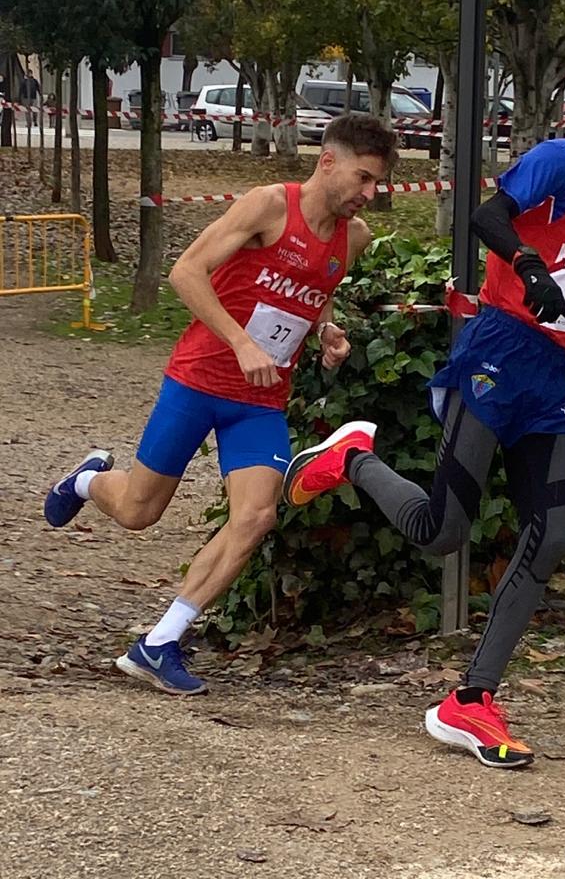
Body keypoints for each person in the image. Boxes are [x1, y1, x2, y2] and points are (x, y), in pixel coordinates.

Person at [282, 41, 565, 769]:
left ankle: (469, 701)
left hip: (551, 378)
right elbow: (486, 217)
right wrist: (528, 267)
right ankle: (353, 458)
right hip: (497, 354)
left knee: (554, 533)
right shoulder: (564, 161)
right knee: (442, 531)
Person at [44, 114, 397, 695]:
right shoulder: (267, 206)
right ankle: (87, 481)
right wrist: (240, 341)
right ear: (326, 161)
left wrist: (326, 331)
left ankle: (160, 642)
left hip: (259, 402)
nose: (368, 195)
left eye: (376, 184)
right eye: (362, 178)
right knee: (138, 512)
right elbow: (187, 272)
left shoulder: (351, 238)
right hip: (199, 380)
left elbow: (316, 296)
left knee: (256, 516)